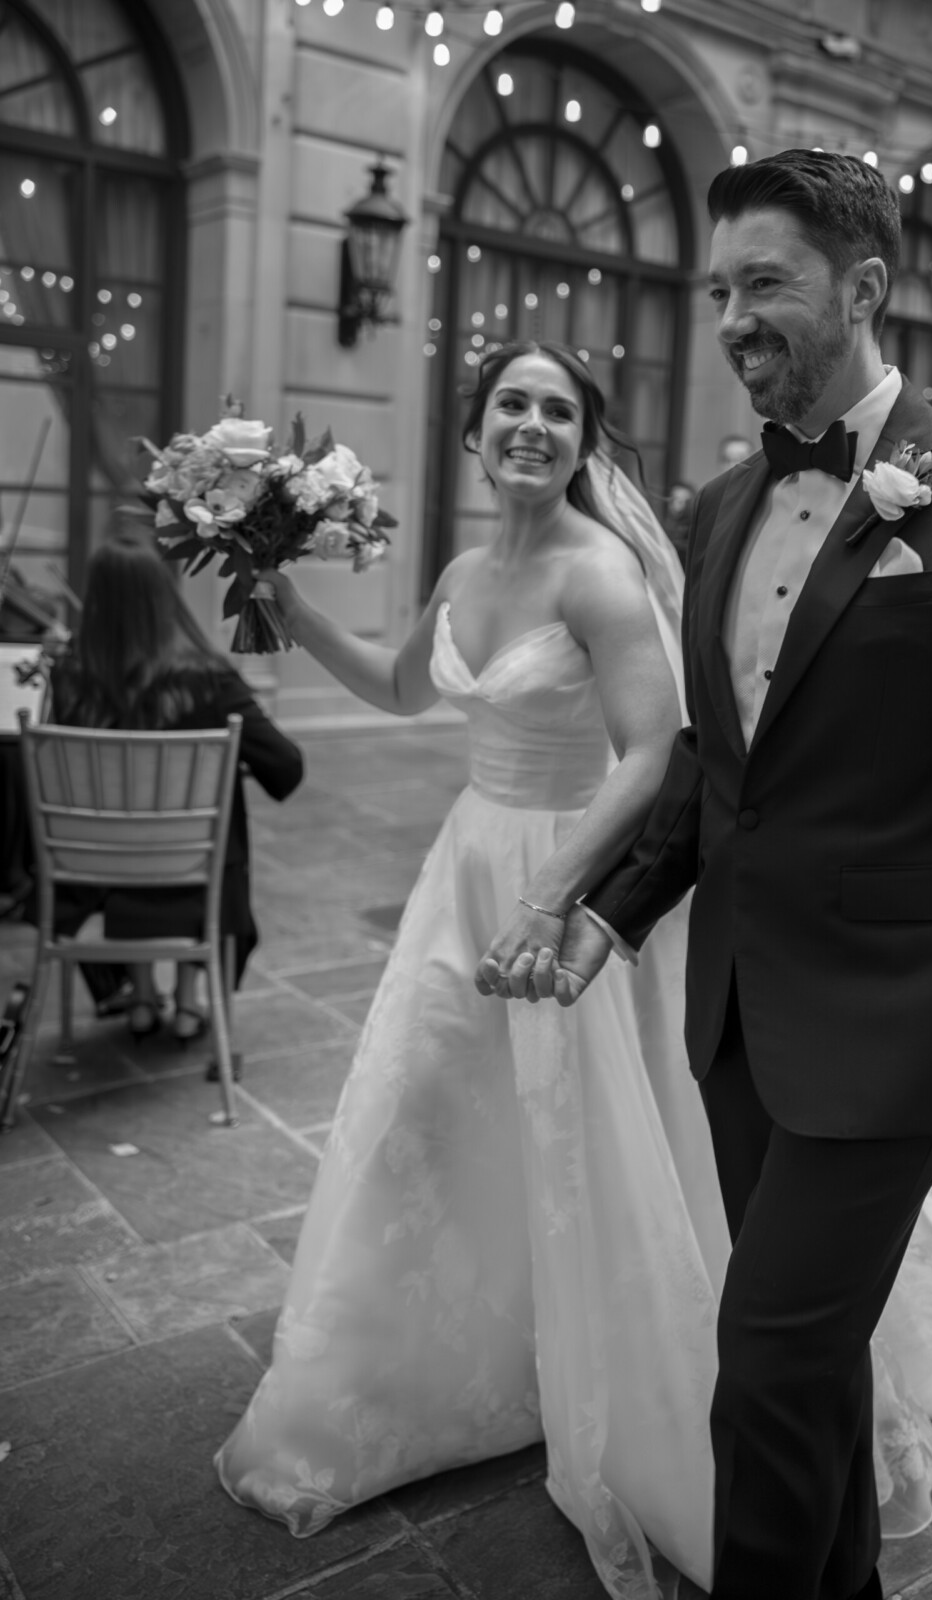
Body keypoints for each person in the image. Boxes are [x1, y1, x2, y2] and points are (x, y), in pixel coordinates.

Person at [510, 151, 932, 1600]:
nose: (731, 316)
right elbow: (715, 765)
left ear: (860, 290)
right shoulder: (722, 503)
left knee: (764, 1358)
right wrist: (611, 910)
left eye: (764, 285)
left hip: (900, 1019)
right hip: (739, 1015)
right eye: (716, 288)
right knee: (810, 1360)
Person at [214, 340, 734, 1589]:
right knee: (430, 1111)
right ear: (474, 429)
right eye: (513, 403)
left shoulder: (600, 576)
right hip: (466, 869)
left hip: (569, 875)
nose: (533, 425)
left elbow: (652, 755)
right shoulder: (459, 568)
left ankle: (613, 1365)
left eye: (559, 410)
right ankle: (445, 1364)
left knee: (589, 1130)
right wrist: (287, 609)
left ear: (582, 439)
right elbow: (402, 690)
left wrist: (558, 893)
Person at [46, 529, 304, 1038]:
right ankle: (189, 1004)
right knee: (204, 816)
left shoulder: (68, 676)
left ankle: (142, 997)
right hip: (192, 874)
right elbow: (286, 765)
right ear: (164, 596)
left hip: (92, 876)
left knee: (129, 822)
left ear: (95, 599)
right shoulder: (209, 678)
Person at [663, 479, 697, 565]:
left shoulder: (696, 534)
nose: (681, 504)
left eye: (687, 501)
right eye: (676, 500)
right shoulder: (660, 530)